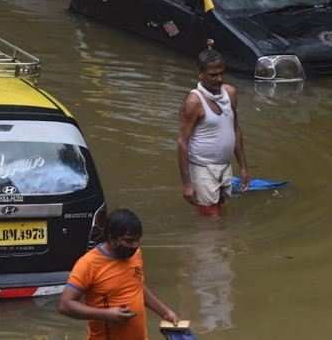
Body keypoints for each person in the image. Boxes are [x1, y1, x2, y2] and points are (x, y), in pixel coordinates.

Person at [58, 208, 179, 340]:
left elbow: (137, 286)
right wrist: (106, 314)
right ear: (112, 238)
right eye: (129, 241)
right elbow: (65, 305)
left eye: (138, 240)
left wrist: (165, 312)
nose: (135, 245)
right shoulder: (89, 264)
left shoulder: (135, 253)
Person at [177, 40, 250, 215]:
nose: (218, 79)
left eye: (221, 74)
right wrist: (187, 185)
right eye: (213, 75)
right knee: (211, 218)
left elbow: (235, 129)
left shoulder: (230, 93)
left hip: (225, 166)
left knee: (222, 208)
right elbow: (182, 142)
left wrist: (243, 168)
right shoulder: (194, 102)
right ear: (201, 74)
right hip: (202, 167)